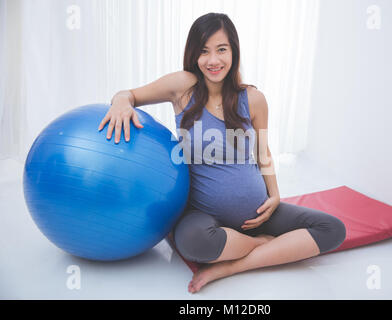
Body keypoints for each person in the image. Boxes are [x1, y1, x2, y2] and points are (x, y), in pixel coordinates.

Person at [98, 13, 346, 294]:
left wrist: (275, 196)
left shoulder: (253, 98)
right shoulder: (182, 86)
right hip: (204, 215)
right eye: (204, 51)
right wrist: (120, 101)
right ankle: (260, 245)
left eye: (221, 50)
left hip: (258, 213)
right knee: (193, 243)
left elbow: (262, 151)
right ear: (194, 54)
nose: (213, 60)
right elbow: (129, 94)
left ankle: (234, 264)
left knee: (332, 229)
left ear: (234, 52)